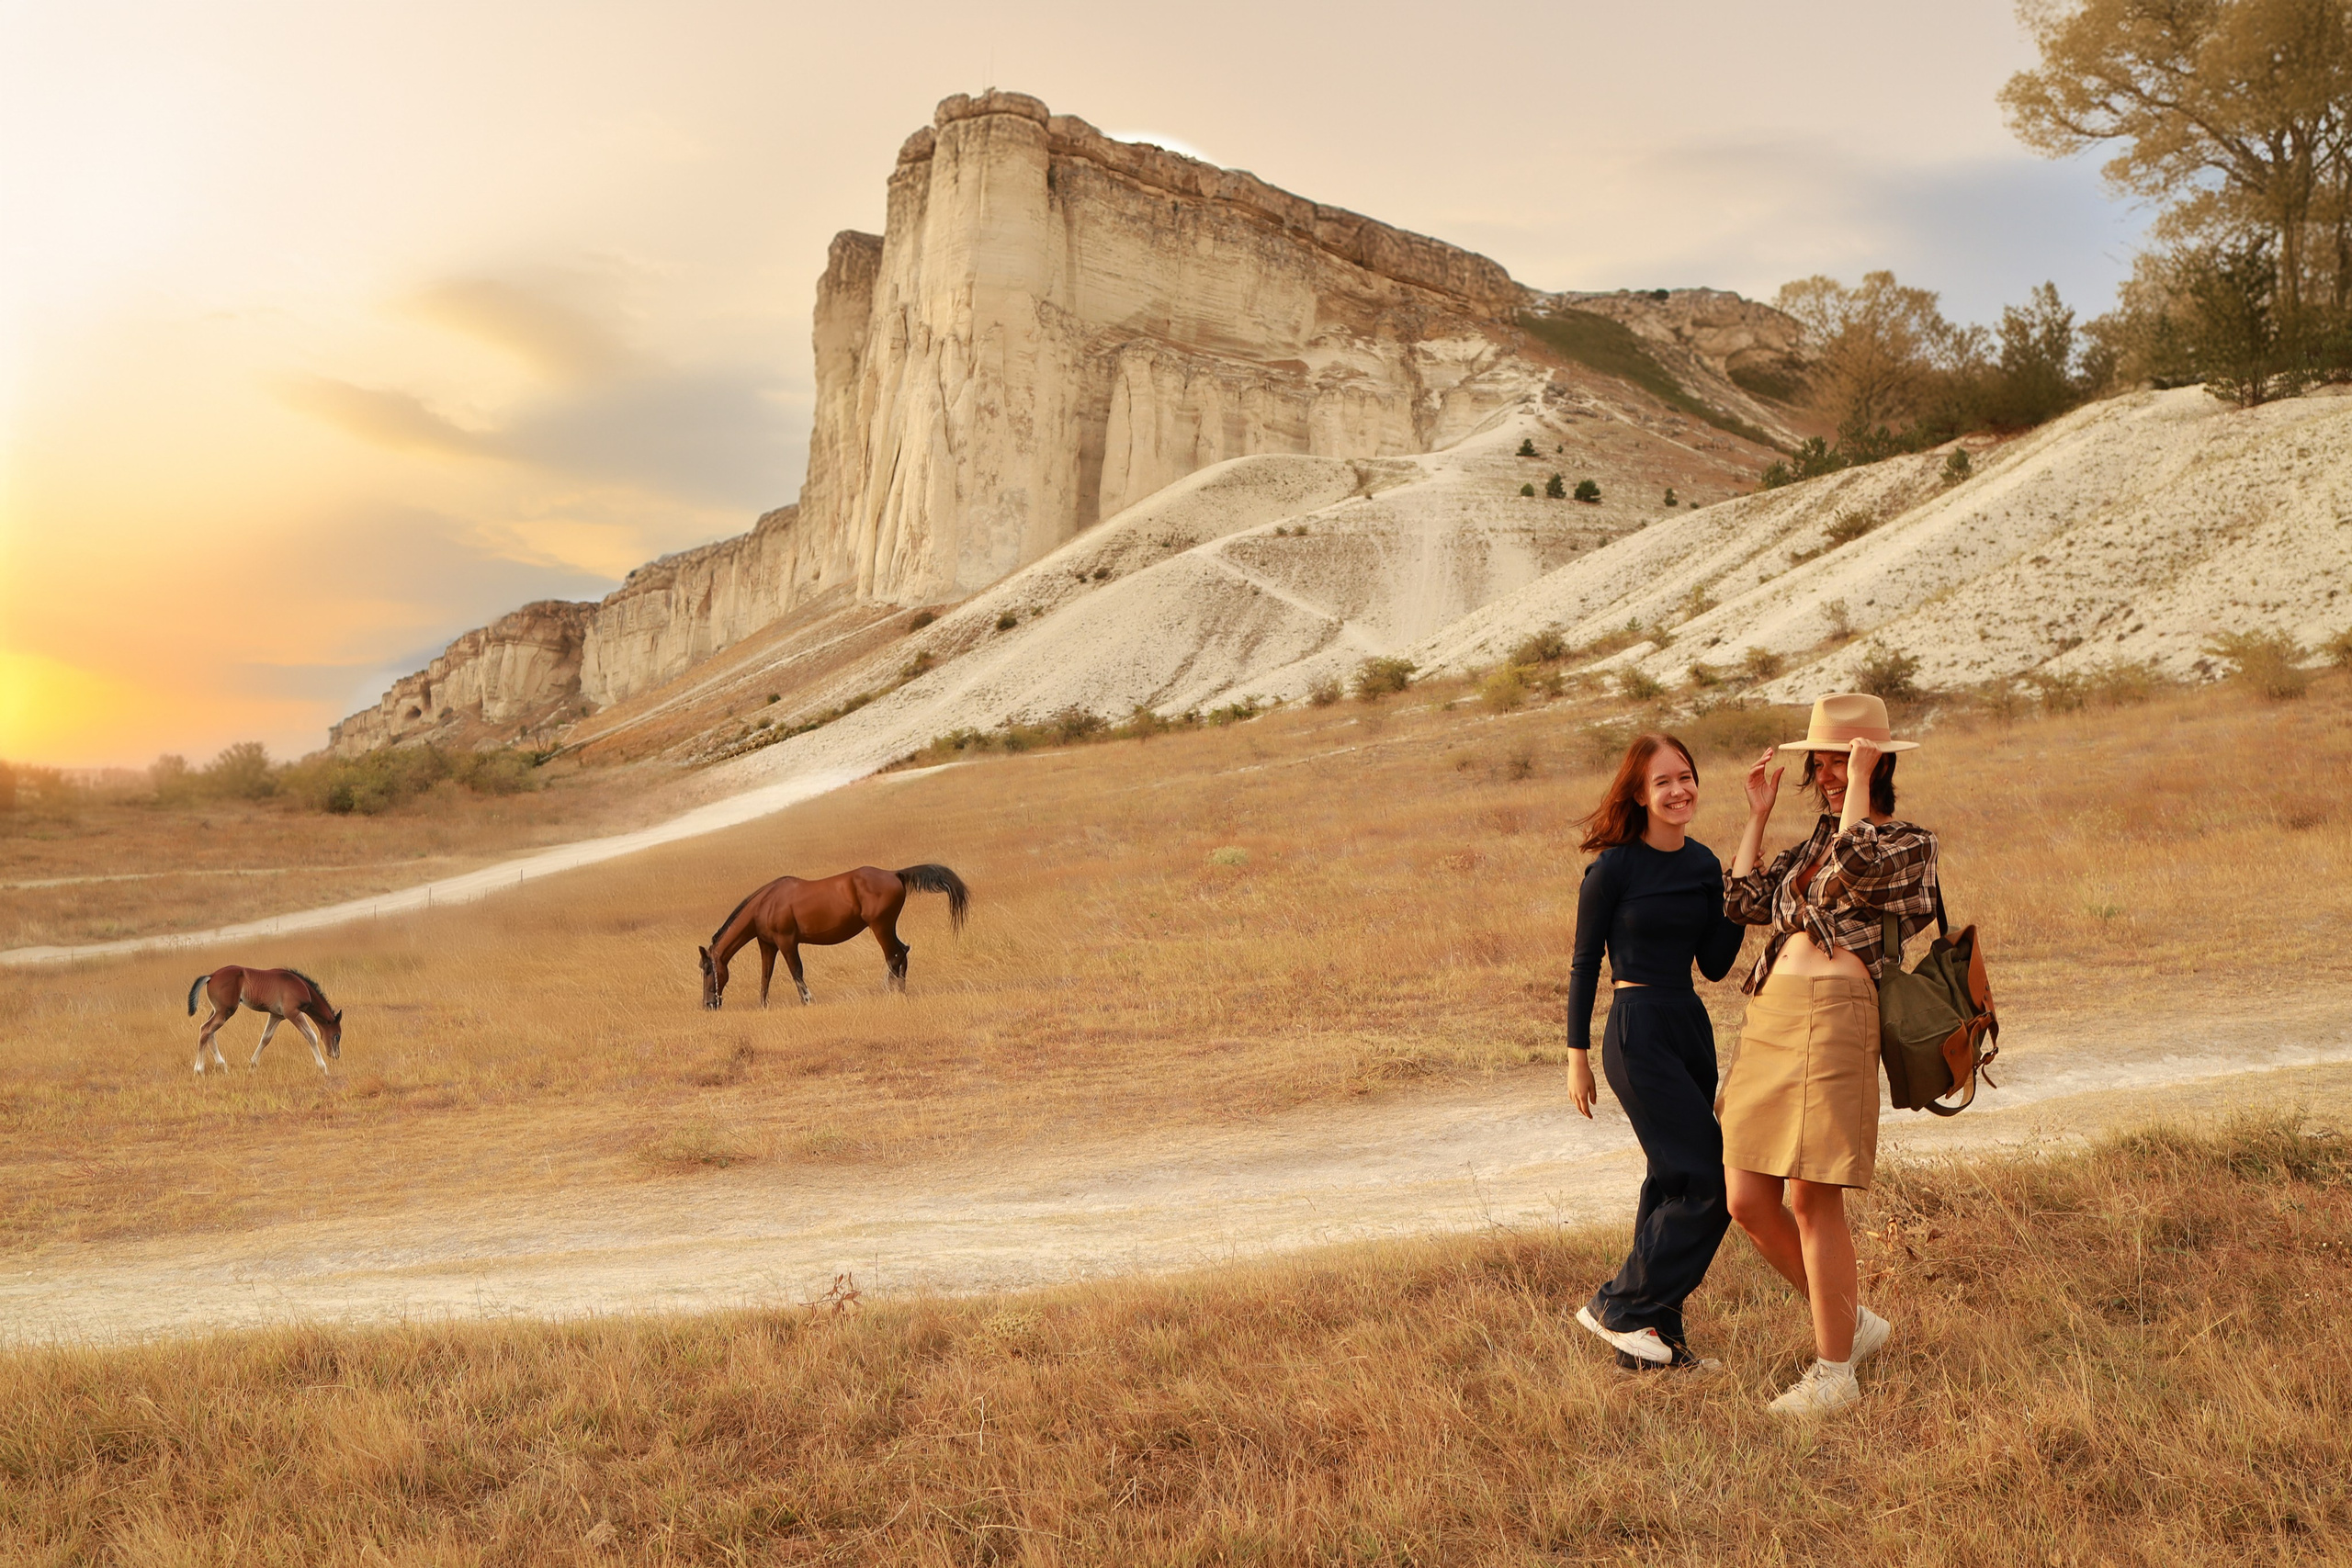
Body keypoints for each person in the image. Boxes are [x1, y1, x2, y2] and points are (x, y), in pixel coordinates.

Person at [1719, 693, 1939, 1417]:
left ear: (1877, 759)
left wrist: (1862, 789)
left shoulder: (1908, 842)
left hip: (1837, 1017)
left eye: (1845, 757)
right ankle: (1856, 1323)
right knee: (1746, 1197)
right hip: (1774, 1016)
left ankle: (1834, 1371)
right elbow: (1743, 900)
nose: (1830, 770)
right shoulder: (1813, 839)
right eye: (1823, 757)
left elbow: (1850, 866)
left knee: (1814, 1197)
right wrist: (1755, 814)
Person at [1565, 732, 1747, 1371]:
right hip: (1635, 1026)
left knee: (1671, 1179)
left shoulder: (1702, 863)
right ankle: (1619, 1305)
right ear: (1640, 794)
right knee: (1714, 1178)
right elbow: (1585, 963)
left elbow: (1718, 963)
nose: (1678, 789)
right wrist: (1576, 1053)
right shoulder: (1613, 868)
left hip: (1689, 1023)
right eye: (1663, 780)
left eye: (1686, 776)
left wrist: (1754, 827)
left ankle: (1653, 1347)